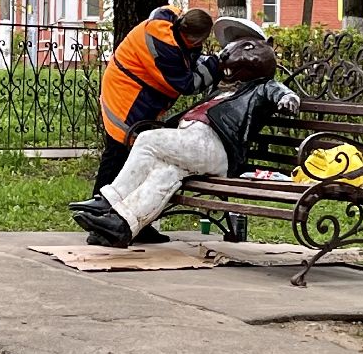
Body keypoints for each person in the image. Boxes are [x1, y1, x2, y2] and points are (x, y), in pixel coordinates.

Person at [72, 21, 300, 248]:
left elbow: (280, 91)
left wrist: (288, 99)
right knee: (165, 174)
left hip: (214, 146)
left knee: (148, 140)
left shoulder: (261, 87)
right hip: (194, 144)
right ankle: (119, 226)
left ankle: (110, 199)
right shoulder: (223, 89)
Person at [75, 5, 220, 243]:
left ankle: (132, 222)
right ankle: (99, 221)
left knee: (137, 158)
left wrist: (198, 58)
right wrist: (214, 66)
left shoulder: (168, 20)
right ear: (194, 38)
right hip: (127, 98)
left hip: (133, 91)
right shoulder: (166, 48)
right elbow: (187, 84)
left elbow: (182, 51)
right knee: (118, 155)